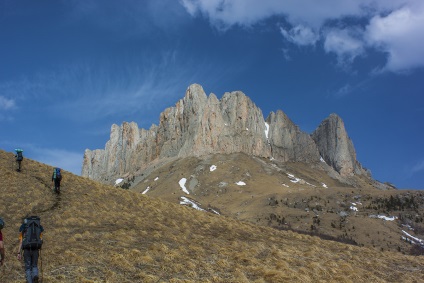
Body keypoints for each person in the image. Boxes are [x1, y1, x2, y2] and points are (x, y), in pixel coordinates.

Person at [17, 216, 44, 283]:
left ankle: (30, 281)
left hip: (26, 249)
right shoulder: (38, 226)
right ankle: (35, 275)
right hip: (35, 248)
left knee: (28, 268)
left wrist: (18, 252)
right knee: (34, 265)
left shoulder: (24, 227)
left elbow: (21, 242)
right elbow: (41, 239)